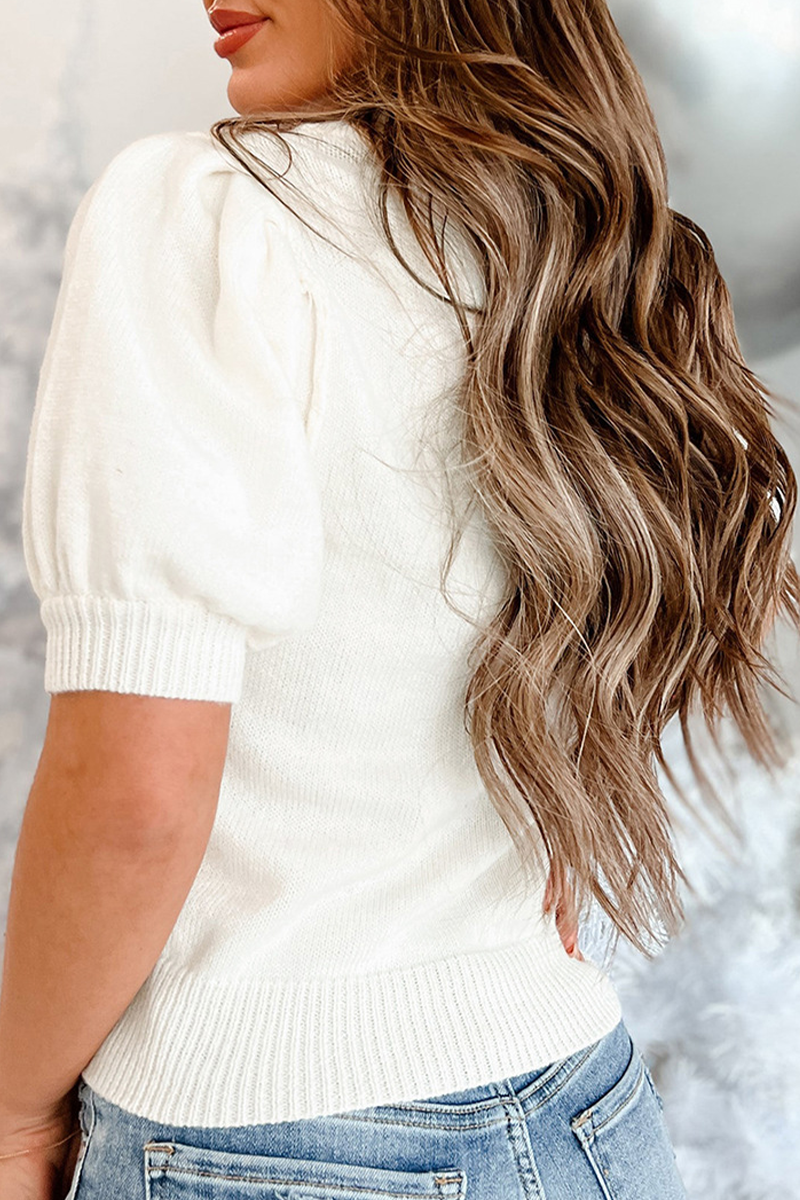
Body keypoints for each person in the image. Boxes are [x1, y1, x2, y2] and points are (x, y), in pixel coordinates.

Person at [2, 0, 798, 1196]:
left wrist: (14, 1111)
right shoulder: (552, 245)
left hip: (268, 1143)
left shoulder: (205, 214)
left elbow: (138, 791)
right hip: (588, 1109)